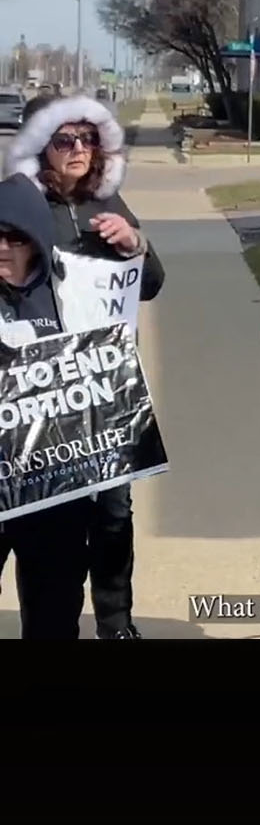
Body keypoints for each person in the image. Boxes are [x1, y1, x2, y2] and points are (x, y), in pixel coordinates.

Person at [3, 94, 163, 640]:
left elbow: (153, 282)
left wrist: (135, 244)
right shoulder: (20, 205)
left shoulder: (108, 201)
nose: (78, 150)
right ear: (40, 147)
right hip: (37, 392)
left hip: (106, 383)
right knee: (44, 523)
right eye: (65, 140)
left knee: (115, 512)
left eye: (88, 138)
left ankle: (116, 623)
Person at [0, 172, 96, 638]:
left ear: (36, 239)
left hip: (54, 484)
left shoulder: (74, 290)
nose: (2, 247)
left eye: (14, 237)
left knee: (54, 610)